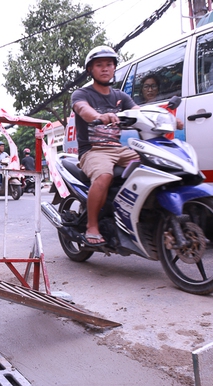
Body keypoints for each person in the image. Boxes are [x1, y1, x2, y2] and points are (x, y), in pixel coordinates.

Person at [71, 46, 140, 246]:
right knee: (104, 175)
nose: (104, 69)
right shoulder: (81, 94)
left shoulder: (120, 96)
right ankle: (92, 225)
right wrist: (99, 116)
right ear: (90, 70)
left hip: (119, 149)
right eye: (99, 65)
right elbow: (83, 110)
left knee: (153, 165)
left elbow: (139, 112)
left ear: (114, 68)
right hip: (93, 150)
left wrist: (168, 118)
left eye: (109, 64)